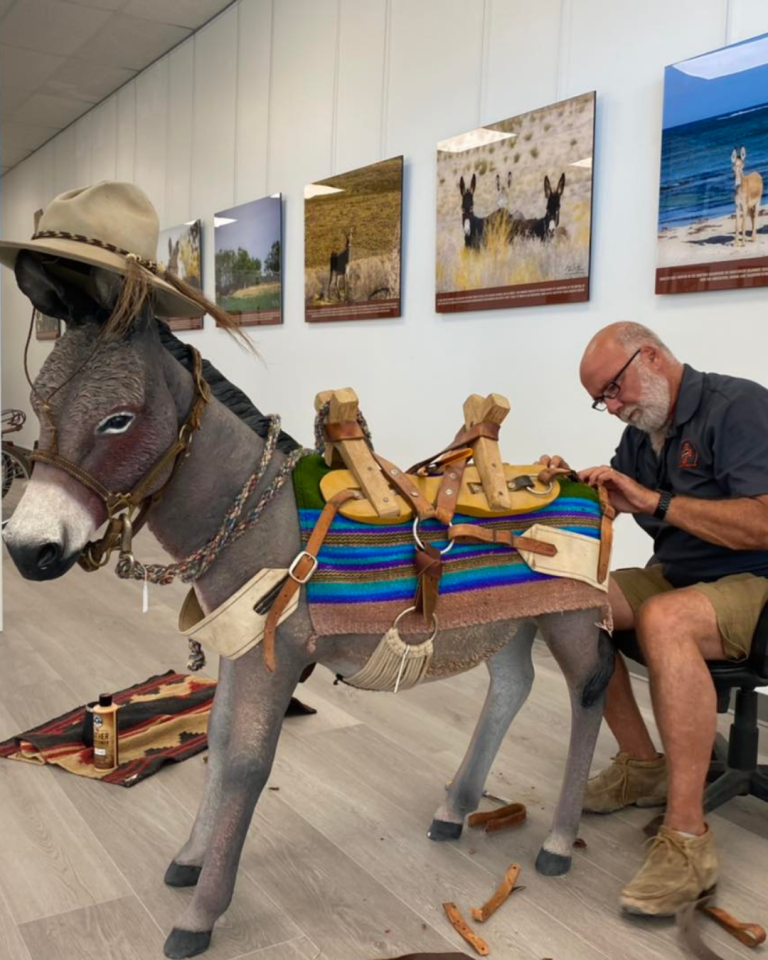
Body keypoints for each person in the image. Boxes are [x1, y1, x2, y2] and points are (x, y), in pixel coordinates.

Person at [540, 321, 768, 917]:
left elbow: (764, 523)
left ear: (651, 357)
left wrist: (653, 500)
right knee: (572, 600)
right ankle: (643, 765)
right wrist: (566, 486)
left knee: (665, 619)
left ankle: (688, 839)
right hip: (683, 574)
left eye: (614, 390)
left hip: (758, 580)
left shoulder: (738, 407)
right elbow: (616, 497)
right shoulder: (645, 433)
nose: (613, 408)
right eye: (602, 400)